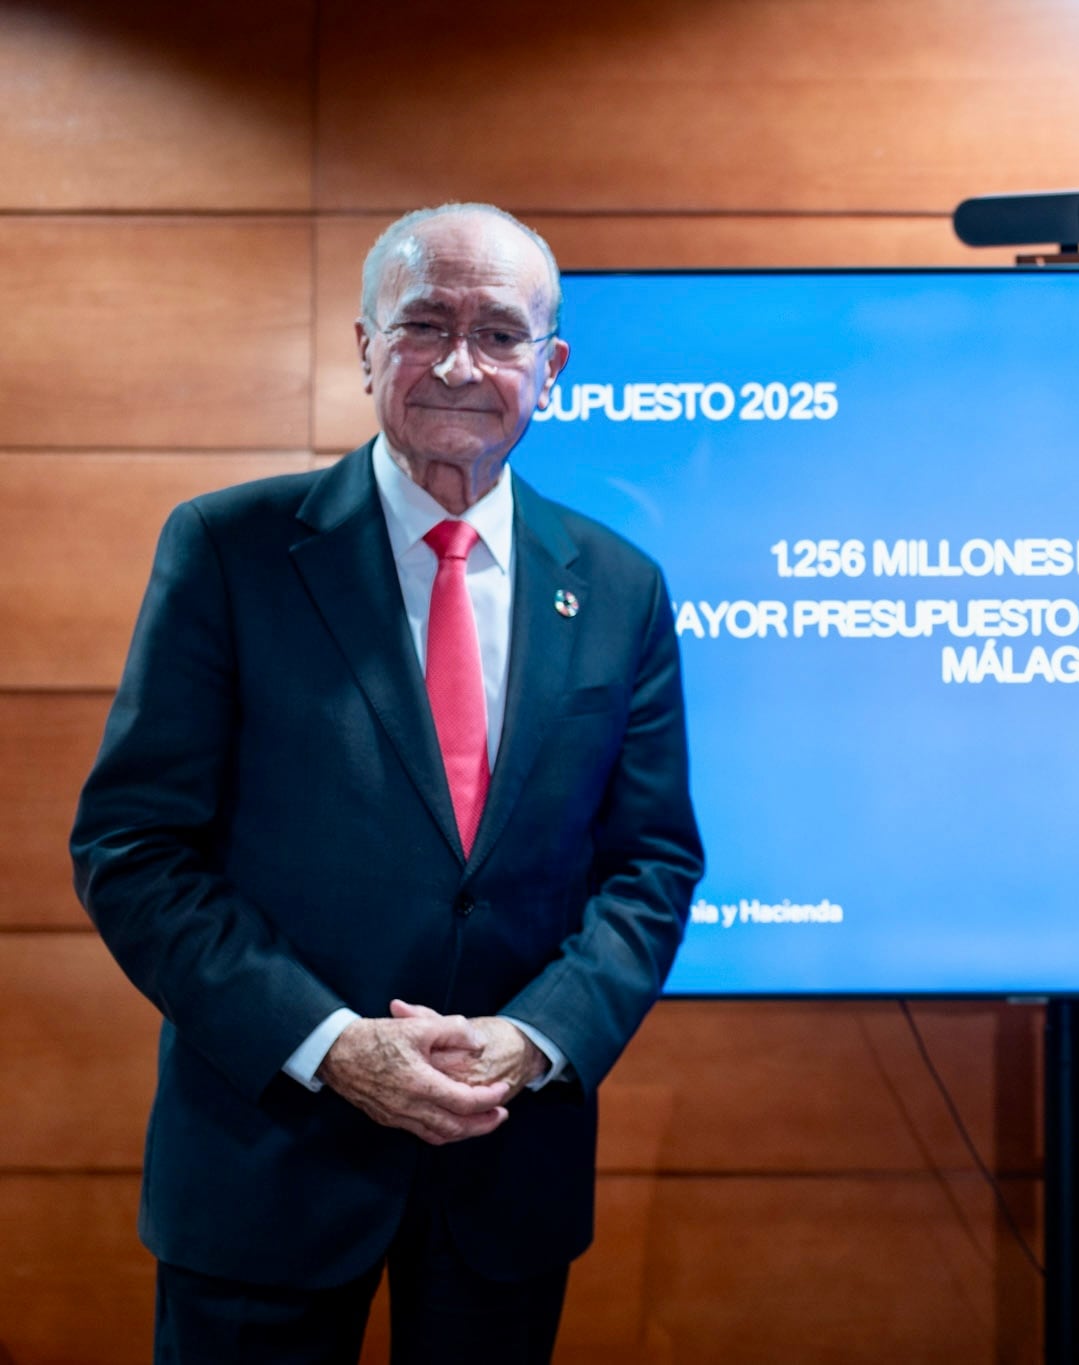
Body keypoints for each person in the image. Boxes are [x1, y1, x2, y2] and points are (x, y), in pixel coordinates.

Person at [72, 203, 702, 1363]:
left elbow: (650, 862)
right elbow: (134, 848)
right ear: (365, 347)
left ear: (549, 369)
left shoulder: (619, 585)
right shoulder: (229, 550)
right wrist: (327, 1042)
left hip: (503, 1161)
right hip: (269, 1160)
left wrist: (536, 1038)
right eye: (424, 323)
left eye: (500, 334)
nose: (461, 363)